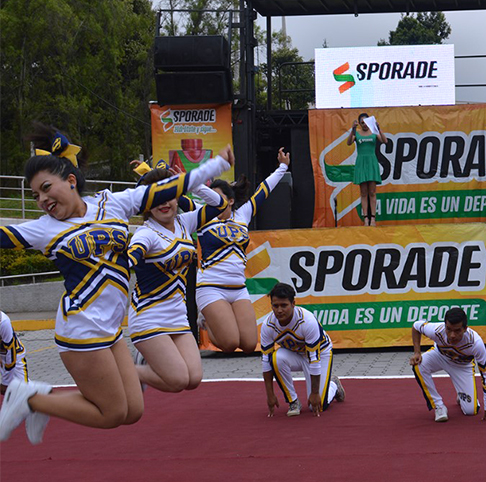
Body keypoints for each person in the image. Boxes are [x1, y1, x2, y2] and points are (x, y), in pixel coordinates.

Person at [0, 123, 231, 444]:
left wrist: (216, 165)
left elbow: (165, 189)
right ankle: (29, 399)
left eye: (45, 188)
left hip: (111, 331)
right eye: (35, 195)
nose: (41, 199)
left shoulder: (112, 204)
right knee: (110, 413)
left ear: (70, 181)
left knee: (132, 411)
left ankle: (39, 399)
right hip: (80, 331)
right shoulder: (43, 229)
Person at [127, 165, 228, 393]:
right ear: (145, 206)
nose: (164, 204)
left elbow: (219, 205)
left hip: (177, 315)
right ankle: (126, 369)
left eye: (168, 196)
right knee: (178, 380)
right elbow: (132, 255)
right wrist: (131, 258)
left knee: (193, 379)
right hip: (148, 317)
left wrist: (188, 182)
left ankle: (144, 363)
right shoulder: (146, 233)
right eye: (156, 199)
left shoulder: (186, 223)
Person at [196, 148, 289, 353]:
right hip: (211, 286)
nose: (213, 203)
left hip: (238, 288)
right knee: (229, 344)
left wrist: (283, 167)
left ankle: (214, 319)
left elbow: (264, 190)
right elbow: (182, 195)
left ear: (229, 201)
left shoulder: (242, 215)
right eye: (210, 198)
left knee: (248, 345)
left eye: (217, 198)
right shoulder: (201, 216)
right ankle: (206, 319)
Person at [260, 283, 344, 417]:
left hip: (320, 354)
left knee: (318, 405)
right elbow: (265, 361)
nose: (279, 310)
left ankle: (333, 385)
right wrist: (270, 395)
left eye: (284, 305)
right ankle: (293, 401)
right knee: (275, 358)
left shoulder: (307, 320)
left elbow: (314, 359)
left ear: (293, 303)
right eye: (275, 306)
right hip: (296, 354)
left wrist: (315, 393)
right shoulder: (268, 325)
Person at [409, 308, 486, 422]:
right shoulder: (437, 330)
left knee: (471, 411)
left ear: (465, 328)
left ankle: (462, 395)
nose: (452, 335)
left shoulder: (475, 343)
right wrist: (417, 352)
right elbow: (416, 327)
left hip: (462, 366)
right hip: (439, 357)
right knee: (418, 365)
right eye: (448, 329)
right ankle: (438, 406)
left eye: (457, 331)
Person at [347, 113, 388, 226]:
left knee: (372, 192)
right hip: (361, 163)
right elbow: (349, 142)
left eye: (366, 122)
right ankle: (366, 218)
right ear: (359, 123)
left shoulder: (374, 132)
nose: (364, 124)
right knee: (363, 192)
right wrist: (353, 129)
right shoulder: (357, 133)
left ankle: (373, 218)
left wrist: (378, 129)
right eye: (362, 122)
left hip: (371, 163)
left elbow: (385, 141)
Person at [0, 311, 29, 395]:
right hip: (2, 354)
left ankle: (46, 398)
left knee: (23, 392)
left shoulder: (3, 322)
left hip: (14, 356)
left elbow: (11, 353)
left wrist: (5, 382)